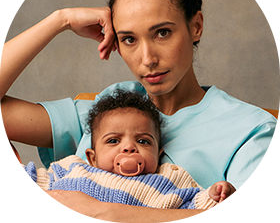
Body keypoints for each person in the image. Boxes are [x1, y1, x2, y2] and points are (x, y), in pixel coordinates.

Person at [0, 0, 279, 223]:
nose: (148, 59)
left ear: (196, 26)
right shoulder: (108, 110)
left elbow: (259, 220)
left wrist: (101, 214)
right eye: (129, 39)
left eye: (162, 33)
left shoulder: (250, 128)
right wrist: (60, 20)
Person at [0, 90, 240, 220]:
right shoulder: (74, 168)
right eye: (114, 140)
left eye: (143, 141)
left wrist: (216, 195)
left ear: (159, 153)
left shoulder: (169, 179)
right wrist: (5, 171)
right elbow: (35, 187)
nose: (128, 148)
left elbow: (194, 207)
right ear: (92, 157)